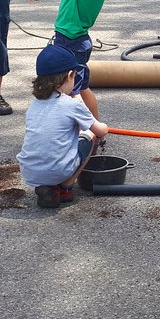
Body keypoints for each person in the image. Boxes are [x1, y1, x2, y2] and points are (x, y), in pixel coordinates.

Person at [19, 0, 121, 121]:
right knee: (73, 88)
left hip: (72, 43)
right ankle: (79, 127)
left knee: (76, 90)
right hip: (68, 40)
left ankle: (94, 129)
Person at [18, 44, 109, 209]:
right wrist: (104, 128)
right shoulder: (72, 105)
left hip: (29, 170)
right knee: (90, 135)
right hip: (59, 169)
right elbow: (100, 130)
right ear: (70, 75)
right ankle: (66, 187)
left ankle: (48, 186)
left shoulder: (34, 104)